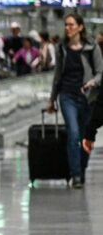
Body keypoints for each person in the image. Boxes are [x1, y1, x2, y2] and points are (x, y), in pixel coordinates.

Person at [48, 13, 103, 189]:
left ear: (80, 27)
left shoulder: (92, 47)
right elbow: (57, 74)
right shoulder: (61, 48)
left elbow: (101, 72)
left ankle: (82, 168)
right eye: (66, 25)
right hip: (67, 95)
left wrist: (93, 82)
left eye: (71, 25)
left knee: (85, 135)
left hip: (88, 97)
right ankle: (76, 174)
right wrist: (52, 98)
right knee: (73, 133)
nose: (67, 28)